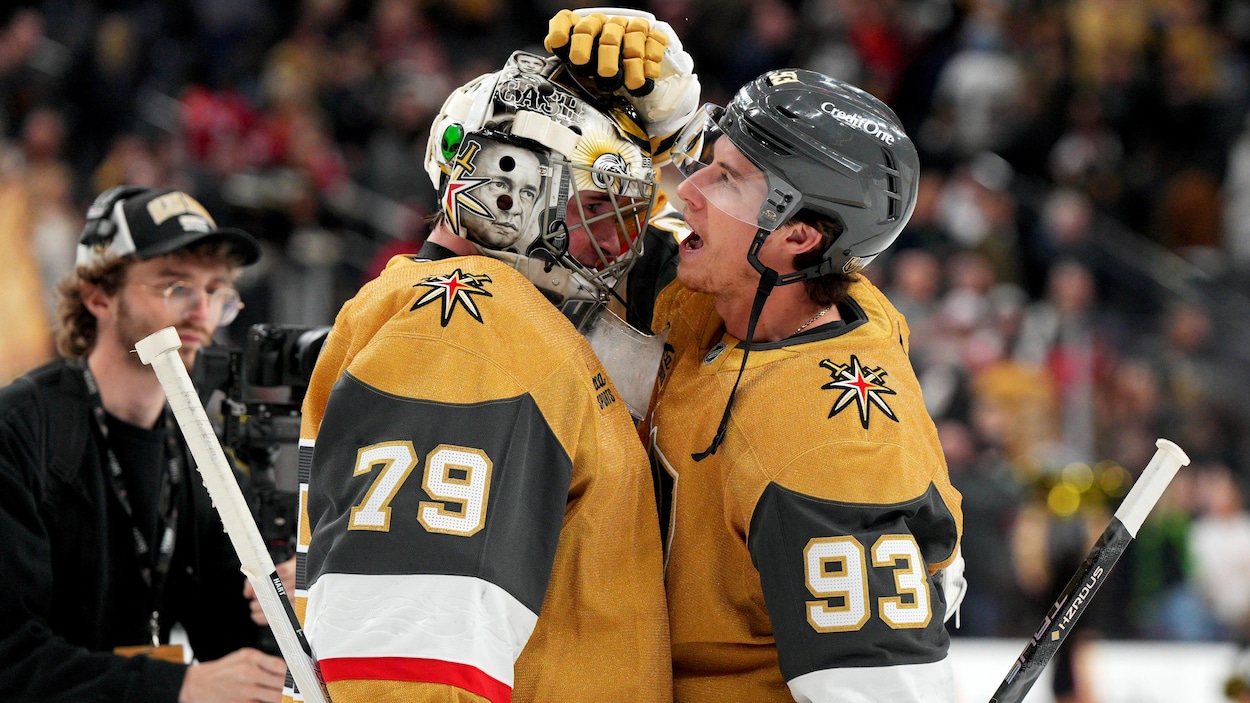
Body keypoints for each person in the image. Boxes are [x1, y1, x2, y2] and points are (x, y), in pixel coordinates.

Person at [287, 48, 689, 703]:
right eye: (596, 209)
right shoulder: (461, 320)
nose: (615, 246)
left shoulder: (491, 316)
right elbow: (409, 661)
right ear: (508, 187)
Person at [638, 69, 965, 701]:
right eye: (708, 162)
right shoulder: (724, 300)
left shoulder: (833, 448)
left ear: (799, 235)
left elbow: (880, 689)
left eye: (728, 178)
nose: (688, 191)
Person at [0, 186, 289, 702]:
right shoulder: (19, 431)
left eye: (217, 290)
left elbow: (234, 641)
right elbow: (10, 658)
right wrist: (177, 686)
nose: (202, 310)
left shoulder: (198, 446)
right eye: (175, 286)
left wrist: (280, 605)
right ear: (99, 296)